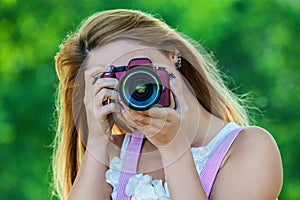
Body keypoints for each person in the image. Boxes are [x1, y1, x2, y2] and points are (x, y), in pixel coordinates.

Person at [52, 9, 283, 200]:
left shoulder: (249, 149)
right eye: (114, 78)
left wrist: (174, 148)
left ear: (172, 52)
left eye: (137, 68)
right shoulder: (113, 154)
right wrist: (96, 143)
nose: (133, 84)